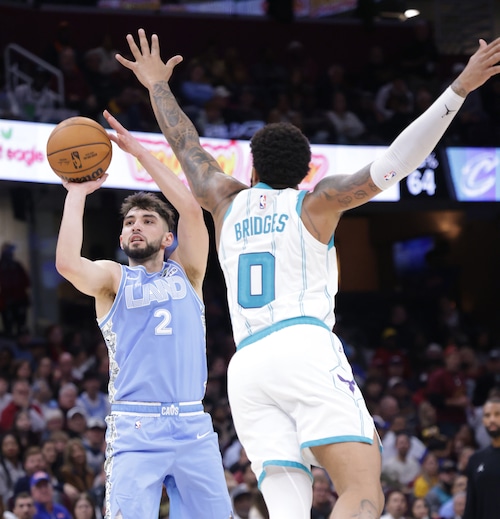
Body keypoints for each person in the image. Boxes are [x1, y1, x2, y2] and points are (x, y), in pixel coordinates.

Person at [115, 28, 500, 519]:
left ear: (251, 170)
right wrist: (459, 89)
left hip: (247, 366)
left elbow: (185, 141)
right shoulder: (316, 203)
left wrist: (156, 85)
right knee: (361, 491)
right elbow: (397, 161)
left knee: (287, 507)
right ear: (303, 173)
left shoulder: (223, 199)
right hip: (303, 345)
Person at [54, 112, 232, 518]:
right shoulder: (113, 279)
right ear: (120, 237)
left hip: (191, 423)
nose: (136, 226)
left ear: (167, 239)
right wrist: (77, 193)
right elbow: (66, 263)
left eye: (148, 221)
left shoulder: (188, 273)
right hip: (136, 426)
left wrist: (138, 152)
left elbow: (189, 206)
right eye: (130, 222)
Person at [462, 396, 500, 519]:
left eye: (497, 414)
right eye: (487, 415)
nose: (492, 420)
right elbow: (470, 507)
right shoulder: (475, 460)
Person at [0, 243, 31, 339]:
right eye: (7, 252)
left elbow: (27, 282)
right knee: (8, 326)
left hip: (19, 300)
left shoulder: (17, 266)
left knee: (21, 325)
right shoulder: (1, 266)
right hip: (6, 301)